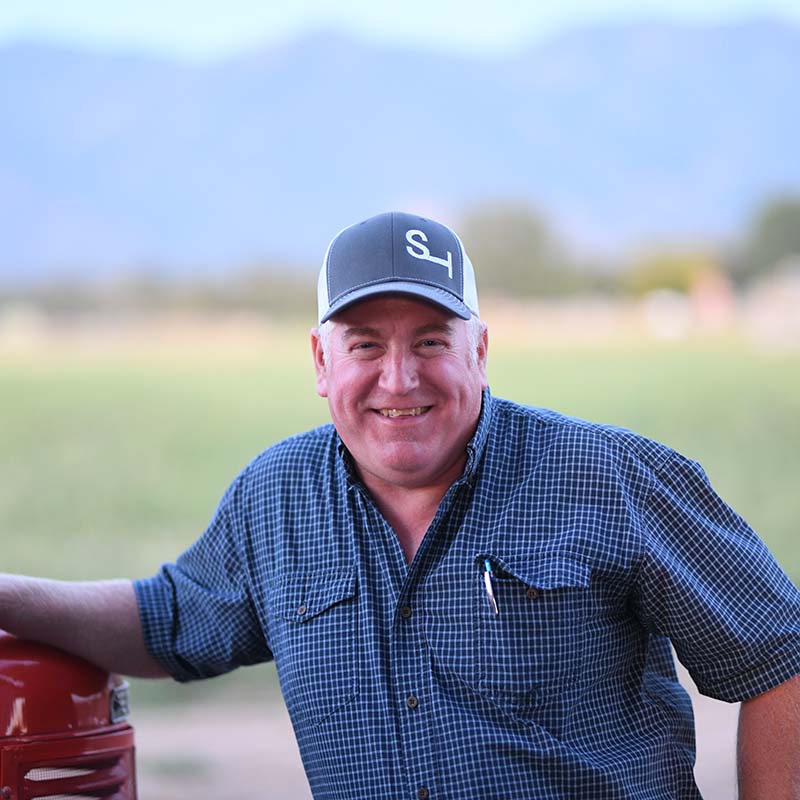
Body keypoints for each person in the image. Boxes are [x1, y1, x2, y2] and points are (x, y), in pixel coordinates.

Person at [1, 211, 799, 799]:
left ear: (479, 351)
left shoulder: (607, 477)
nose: (399, 378)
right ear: (321, 362)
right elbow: (172, 620)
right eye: (365, 345)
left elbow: (779, 657)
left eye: (429, 341)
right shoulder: (276, 499)